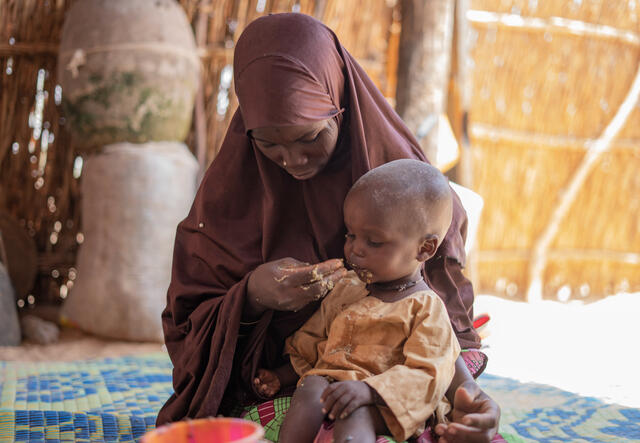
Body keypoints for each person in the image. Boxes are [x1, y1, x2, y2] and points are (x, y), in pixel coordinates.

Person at [157, 12, 500, 443]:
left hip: (396, 383)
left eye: (309, 137)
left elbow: (438, 316)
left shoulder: (403, 185)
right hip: (295, 378)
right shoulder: (229, 196)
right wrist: (253, 295)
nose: (292, 159)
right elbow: (190, 324)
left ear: (340, 105)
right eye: (268, 143)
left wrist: (467, 390)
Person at [253, 159, 461, 443]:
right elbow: (315, 342)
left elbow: (429, 373)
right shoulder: (348, 288)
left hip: (385, 404)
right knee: (311, 385)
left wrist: (369, 391)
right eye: (350, 235)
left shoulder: (426, 308)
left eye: (374, 242)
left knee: (356, 410)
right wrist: (282, 375)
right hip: (333, 387)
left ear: (424, 249)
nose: (355, 250)